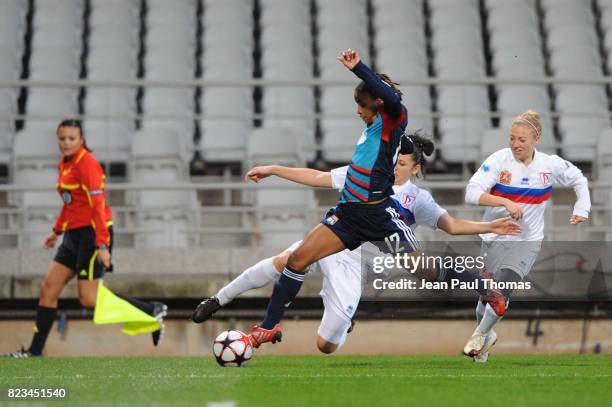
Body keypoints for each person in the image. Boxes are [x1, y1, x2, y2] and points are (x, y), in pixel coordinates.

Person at [234, 49, 507, 347]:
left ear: (377, 103)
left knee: (425, 272)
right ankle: (267, 327)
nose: (357, 111)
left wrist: (359, 69)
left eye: (362, 105)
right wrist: (273, 169)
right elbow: (321, 174)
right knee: (297, 260)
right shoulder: (373, 128)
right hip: (348, 215)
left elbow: (393, 101)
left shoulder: (393, 120)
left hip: (379, 218)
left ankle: (483, 285)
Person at [194, 134, 520, 353]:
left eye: (403, 164)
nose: (395, 169)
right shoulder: (365, 173)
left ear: (416, 168)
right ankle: (220, 298)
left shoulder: (417, 198)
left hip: (359, 262)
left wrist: (488, 225)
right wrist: (274, 169)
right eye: (393, 161)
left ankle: (476, 281)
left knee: (327, 345)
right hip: (338, 234)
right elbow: (318, 177)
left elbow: (449, 225)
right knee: (288, 259)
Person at [5, 119, 167, 358]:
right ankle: (34, 351)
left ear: (81, 140)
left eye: (72, 138)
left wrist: (102, 244)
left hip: (93, 234)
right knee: (48, 288)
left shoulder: (88, 165)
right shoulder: (65, 163)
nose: (66, 143)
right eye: (62, 138)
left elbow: (98, 207)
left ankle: (151, 310)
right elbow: (70, 203)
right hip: (73, 234)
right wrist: (57, 231)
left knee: (89, 299)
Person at [462, 110, 591, 362]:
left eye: (522, 139)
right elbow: (471, 193)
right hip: (494, 238)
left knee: (502, 293)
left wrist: (581, 208)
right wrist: (505, 202)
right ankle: (487, 337)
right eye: (512, 138)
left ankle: (478, 338)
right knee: (485, 300)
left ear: (536, 139)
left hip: (527, 241)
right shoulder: (499, 160)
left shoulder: (549, 164)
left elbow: (579, 180)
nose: (515, 144)